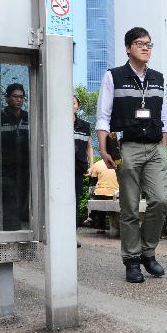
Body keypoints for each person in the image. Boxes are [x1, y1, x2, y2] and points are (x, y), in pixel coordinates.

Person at [95, 27, 167, 283]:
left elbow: (165, 117)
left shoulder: (158, 78)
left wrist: (163, 147)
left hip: (155, 147)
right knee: (129, 206)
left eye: (149, 44)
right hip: (127, 147)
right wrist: (104, 148)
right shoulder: (113, 76)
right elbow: (103, 116)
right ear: (128, 48)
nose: (146, 47)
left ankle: (148, 252)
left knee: (159, 200)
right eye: (140, 43)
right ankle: (132, 260)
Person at [2, 83, 30, 230]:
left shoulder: (28, 117)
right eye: (15, 96)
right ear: (7, 98)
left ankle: (16, 228)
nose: (18, 100)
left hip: (25, 170)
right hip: (6, 171)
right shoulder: (0, 117)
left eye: (21, 97)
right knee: (9, 202)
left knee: (22, 200)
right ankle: (9, 230)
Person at [73, 95, 94, 247]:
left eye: (73, 103)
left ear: (77, 106)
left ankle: (72, 235)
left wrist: (92, 165)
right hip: (60, 169)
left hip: (78, 169)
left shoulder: (85, 125)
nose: (70, 105)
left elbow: (89, 147)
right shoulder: (57, 123)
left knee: (74, 201)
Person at [83, 158, 118, 230]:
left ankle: (99, 226)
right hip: (116, 194)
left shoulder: (98, 164)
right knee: (101, 196)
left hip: (100, 194)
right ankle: (91, 217)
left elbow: (93, 181)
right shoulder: (118, 163)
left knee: (98, 196)